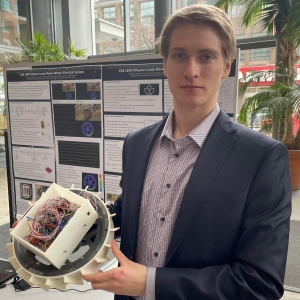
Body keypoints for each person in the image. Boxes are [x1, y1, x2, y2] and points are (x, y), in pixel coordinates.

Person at [83, 4, 292, 300]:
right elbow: (127, 217)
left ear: (227, 66)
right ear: (165, 64)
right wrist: (65, 221)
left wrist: (150, 284)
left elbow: (260, 283)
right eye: (179, 55)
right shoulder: (137, 143)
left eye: (206, 57)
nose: (191, 71)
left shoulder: (261, 157)